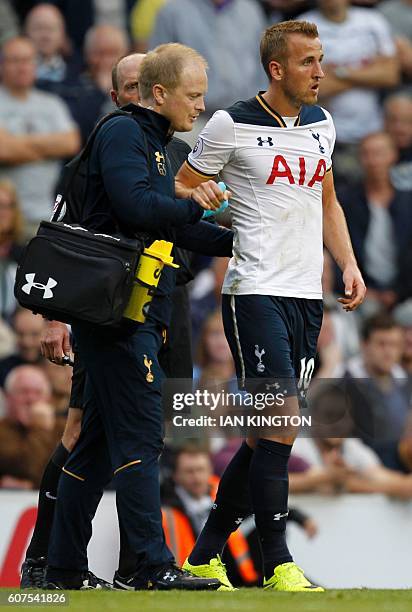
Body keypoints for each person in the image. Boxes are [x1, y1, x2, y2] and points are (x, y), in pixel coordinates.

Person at [175, 20, 366, 592]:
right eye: (309, 61)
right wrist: (204, 196)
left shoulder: (322, 124)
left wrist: (349, 262)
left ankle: (205, 553)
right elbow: (182, 184)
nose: (321, 71)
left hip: (307, 295)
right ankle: (278, 560)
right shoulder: (231, 122)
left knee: (264, 437)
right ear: (277, 69)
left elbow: (326, 198)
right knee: (281, 423)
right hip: (254, 288)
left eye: (322, 59)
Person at [43, 43, 233, 591]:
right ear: (160, 93)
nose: (200, 106)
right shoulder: (125, 133)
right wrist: (198, 203)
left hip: (125, 311)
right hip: (118, 315)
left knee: (99, 444)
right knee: (142, 439)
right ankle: (150, 565)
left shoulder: (153, 141)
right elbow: (136, 208)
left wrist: (237, 242)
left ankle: (62, 570)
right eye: (193, 95)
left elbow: (165, 223)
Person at [0, 36, 81, 238]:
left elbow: (71, 143)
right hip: (6, 218)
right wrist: (48, 147)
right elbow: (3, 150)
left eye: (28, 60)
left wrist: (17, 144)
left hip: (45, 217)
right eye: (15, 60)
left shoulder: (52, 104)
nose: (22, 67)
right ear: (2, 65)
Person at [0, 365, 59, 489]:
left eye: (38, 392)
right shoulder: (2, 431)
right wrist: (41, 429)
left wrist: (41, 428)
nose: (30, 399)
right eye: (23, 392)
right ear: (8, 397)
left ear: (48, 399)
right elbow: (28, 471)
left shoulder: (64, 429)